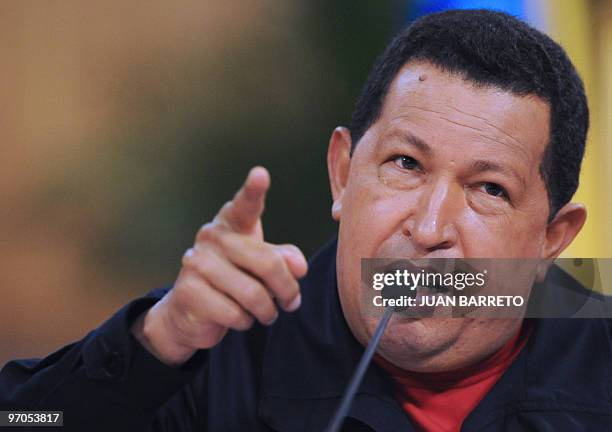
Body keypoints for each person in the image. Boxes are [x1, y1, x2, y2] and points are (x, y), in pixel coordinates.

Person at [1, 9, 609, 432]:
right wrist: (154, 348)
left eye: (488, 189)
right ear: (343, 173)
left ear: (552, 239)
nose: (428, 230)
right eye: (405, 163)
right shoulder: (215, 350)